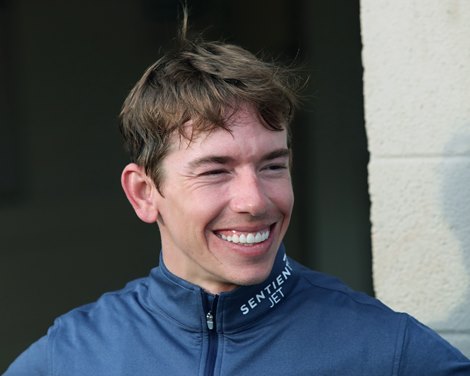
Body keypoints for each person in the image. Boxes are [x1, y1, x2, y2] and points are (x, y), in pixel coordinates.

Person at [6, 32, 470, 375]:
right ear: (144, 194)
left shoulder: (386, 350)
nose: (254, 200)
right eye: (215, 170)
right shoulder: (74, 354)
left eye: (272, 165)